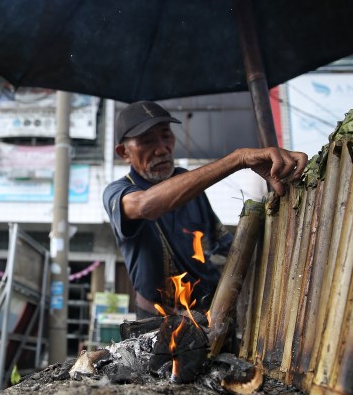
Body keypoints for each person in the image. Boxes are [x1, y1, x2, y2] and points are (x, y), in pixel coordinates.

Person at [103, 101, 307, 319]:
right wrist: (239, 158)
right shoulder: (118, 192)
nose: (162, 149)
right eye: (147, 141)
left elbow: (224, 247)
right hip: (158, 323)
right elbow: (145, 205)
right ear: (124, 152)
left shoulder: (190, 185)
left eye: (166, 136)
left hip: (210, 318)